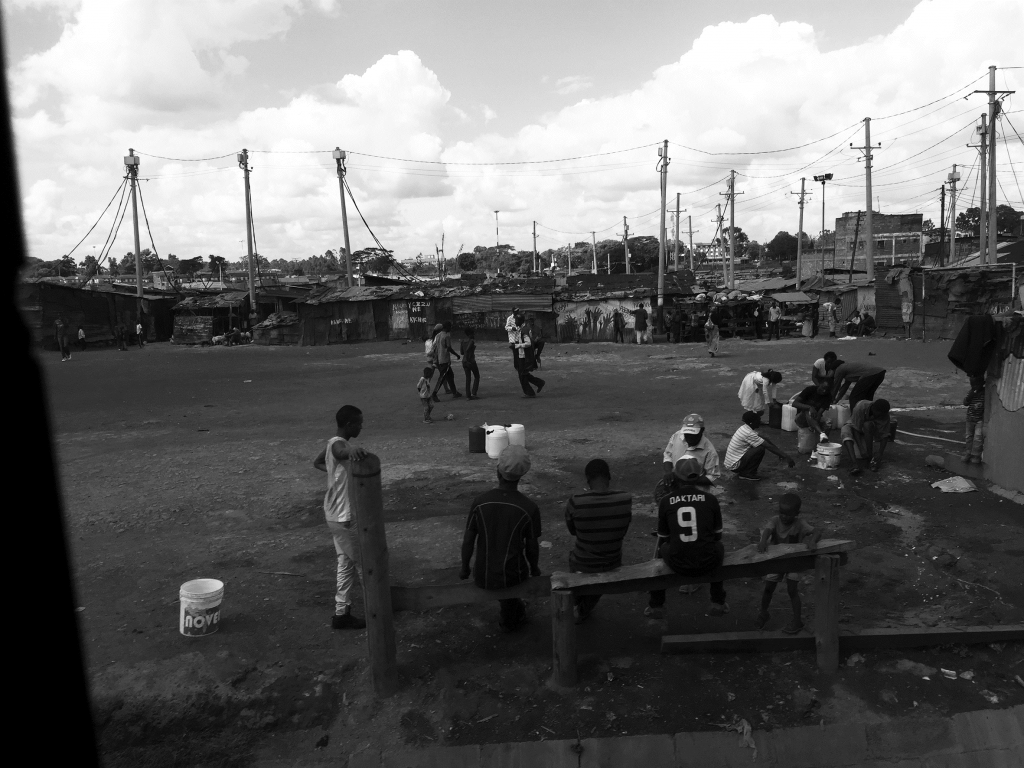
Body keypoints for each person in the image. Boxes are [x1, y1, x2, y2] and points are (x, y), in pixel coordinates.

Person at [460, 445, 541, 632]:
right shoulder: (528, 508)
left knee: (507, 597)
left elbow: (469, 540)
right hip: (514, 576)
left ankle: (511, 611)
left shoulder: (481, 502)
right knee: (511, 588)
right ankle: (512, 615)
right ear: (523, 474)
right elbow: (532, 547)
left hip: (483, 575)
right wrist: (535, 568)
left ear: (498, 470)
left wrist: (465, 568)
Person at [645, 458, 728, 619]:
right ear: (699, 477)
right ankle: (718, 601)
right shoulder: (711, 500)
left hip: (678, 563)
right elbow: (717, 536)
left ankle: (656, 604)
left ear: (676, 476)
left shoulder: (666, 501)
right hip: (707, 562)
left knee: (662, 550)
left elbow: (664, 537)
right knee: (718, 547)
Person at [312, 405, 368, 630]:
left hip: (333, 514)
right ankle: (377, 608)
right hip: (344, 517)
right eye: (359, 423)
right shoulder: (339, 445)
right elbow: (340, 452)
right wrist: (350, 453)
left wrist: (337, 473)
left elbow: (318, 461)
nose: (361, 426)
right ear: (349, 425)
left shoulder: (331, 442)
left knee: (345, 563)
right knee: (365, 563)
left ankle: (341, 613)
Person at [564, 459, 632, 623]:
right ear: (609, 477)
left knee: (575, 560)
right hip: (612, 561)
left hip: (583, 562)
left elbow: (573, 531)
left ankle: (579, 603)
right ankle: (583, 608)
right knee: (598, 576)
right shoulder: (625, 499)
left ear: (588, 479)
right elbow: (622, 531)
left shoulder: (576, 501)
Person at [755, 494, 821, 634]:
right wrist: (763, 541)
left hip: (794, 562)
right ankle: (763, 613)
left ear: (796, 514)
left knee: (792, 591)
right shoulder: (775, 521)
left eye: (788, 514)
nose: (784, 517)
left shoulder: (800, 523)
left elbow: (816, 531)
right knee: (768, 588)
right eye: (781, 513)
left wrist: (813, 540)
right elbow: (767, 530)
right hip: (777, 561)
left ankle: (797, 621)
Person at [724, 411, 795, 481]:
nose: (760, 422)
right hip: (734, 465)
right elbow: (767, 446)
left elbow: (765, 439)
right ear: (752, 422)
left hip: (733, 462)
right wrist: (786, 456)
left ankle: (745, 471)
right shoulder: (748, 433)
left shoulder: (745, 427)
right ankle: (746, 473)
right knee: (760, 449)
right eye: (758, 420)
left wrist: (780, 453)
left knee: (758, 444)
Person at [841, 398, 891, 476]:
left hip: (871, 429)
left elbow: (885, 434)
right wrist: (861, 448)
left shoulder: (884, 414)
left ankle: (870, 458)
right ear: (874, 409)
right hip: (855, 425)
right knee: (845, 430)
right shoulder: (860, 406)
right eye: (879, 414)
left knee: (867, 425)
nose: (880, 416)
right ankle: (854, 463)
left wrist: (880, 452)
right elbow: (855, 428)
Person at [792, 381, 834, 452]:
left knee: (828, 422)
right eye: (823, 388)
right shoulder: (810, 390)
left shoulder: (828, 396)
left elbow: (820, 412)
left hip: (814, 418)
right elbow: (794, 403)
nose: (824, 391)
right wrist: (809, 407)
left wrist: (815, 421)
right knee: (807, 411)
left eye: (826, 390)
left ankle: (821, 446)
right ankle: (821, 433)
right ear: (820, 384)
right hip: (801, 418)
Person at [430, 321, 462, 400]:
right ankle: (434, 394)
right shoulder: (446, 336)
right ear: (446, 327)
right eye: (450, 327)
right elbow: (449, 348)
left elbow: (435, 347)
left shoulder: (438, 335)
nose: (451, 328)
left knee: (450, 375)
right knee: (442, 378)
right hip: (445, 359)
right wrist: (457, 355)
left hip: (439, 358)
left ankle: (454, 392)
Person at [514, 317, 546, 397]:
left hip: (524, 355)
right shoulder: (524, 329)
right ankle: (538, 383)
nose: (515, 322)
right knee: (523, 373)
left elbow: (528, 343)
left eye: (516, 320)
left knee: (522, 374)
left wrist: (518, 346)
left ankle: (530, 392)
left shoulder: (524, 330)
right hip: (523, 354)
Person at [963, 376, 985, 464]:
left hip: (979, 419)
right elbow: (965, 403)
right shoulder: (971, 393)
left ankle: (976, 455)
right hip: (970, 418)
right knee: (968, 436)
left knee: (978, 437)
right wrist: (970, 395)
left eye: (977, 385)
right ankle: (968, 453)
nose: (975, 387)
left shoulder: (984, 394)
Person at [460, 327, 480, 400]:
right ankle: (474, 393)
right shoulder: (471, 341)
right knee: (477, 376)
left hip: (464, 361)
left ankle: (468, 395)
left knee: (468, 378)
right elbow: (468, 349)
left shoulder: (462, 341)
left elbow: (462, 352)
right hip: (470, 361)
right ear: (470, 334)